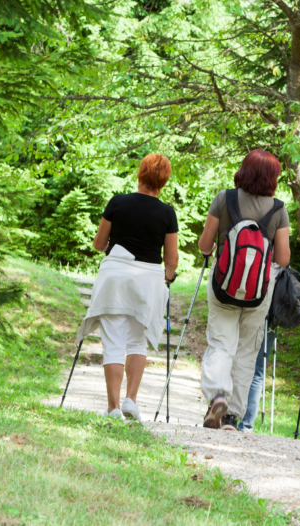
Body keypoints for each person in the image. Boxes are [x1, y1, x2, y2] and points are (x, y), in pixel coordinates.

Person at [75, 153, 179, 421]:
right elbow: (171, 259)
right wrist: (168, 277)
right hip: (148, 282)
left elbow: (99, 244)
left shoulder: (118, 202)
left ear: (140, 173)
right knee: (136, 342)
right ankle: (131, 399)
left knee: (113, 343)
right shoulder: (168, 213)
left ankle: (114, 409)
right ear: (164, 181)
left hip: (115, 279)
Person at [198, 149, 291, 431]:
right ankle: (231, 417)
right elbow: (283, 259)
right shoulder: (279, 209)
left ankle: (217, 396)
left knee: (221, 344)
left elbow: (205, 245)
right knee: (247, 352)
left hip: (223, 287)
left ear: (244, 170)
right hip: (258, 293)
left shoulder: (223, 199)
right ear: (272, 178)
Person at [238, 323, 277, 432]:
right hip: (271, 321)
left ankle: (227, 419)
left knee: (237, 365)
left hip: (250, 316)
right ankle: (246, 425)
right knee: (258, 374)